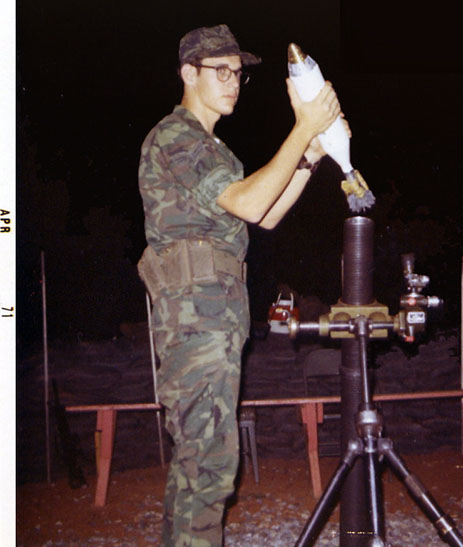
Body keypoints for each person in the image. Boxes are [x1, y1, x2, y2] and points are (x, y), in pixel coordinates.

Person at [137, 24, 344, 546]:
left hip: (214, 318)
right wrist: (302, 127)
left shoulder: (215, 151)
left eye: (238, 74)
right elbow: (250, 203)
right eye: (221, 71)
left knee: (202, 464)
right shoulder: (176, 136)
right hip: (194, 320)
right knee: (209, 464)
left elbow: (266, 214)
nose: (233, 82)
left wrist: (310, 155)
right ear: (189, 73)